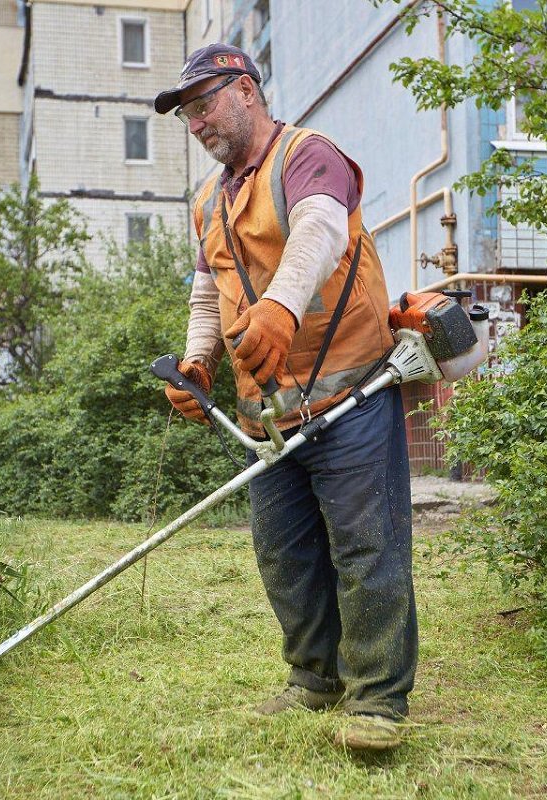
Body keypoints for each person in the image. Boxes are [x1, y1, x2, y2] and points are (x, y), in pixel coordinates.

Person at [155, 44, 417, 752]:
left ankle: (378, 701)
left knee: (367, 548)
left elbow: (322, 230)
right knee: (284, 553)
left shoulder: (308, 155)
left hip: (353, 392)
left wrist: (279, 307)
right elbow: (209, 285)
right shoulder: (209, 198)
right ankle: (315, 678)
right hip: (267, 408)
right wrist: (198, 357)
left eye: (203, 103)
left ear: (245, 90)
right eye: (186, 113)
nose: (195, 122)